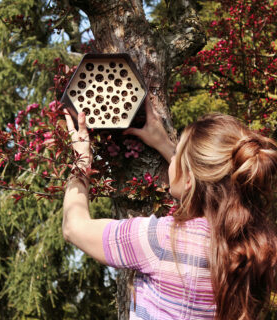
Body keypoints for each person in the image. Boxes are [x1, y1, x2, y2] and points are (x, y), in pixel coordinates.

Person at [62, 95, 277, 320]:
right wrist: (164, 143)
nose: (172, 159)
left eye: (178, 156)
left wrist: (81, 161)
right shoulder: (259, 249)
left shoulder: (161, 241)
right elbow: (207, 187)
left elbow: (74, 227)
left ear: (188, 180)